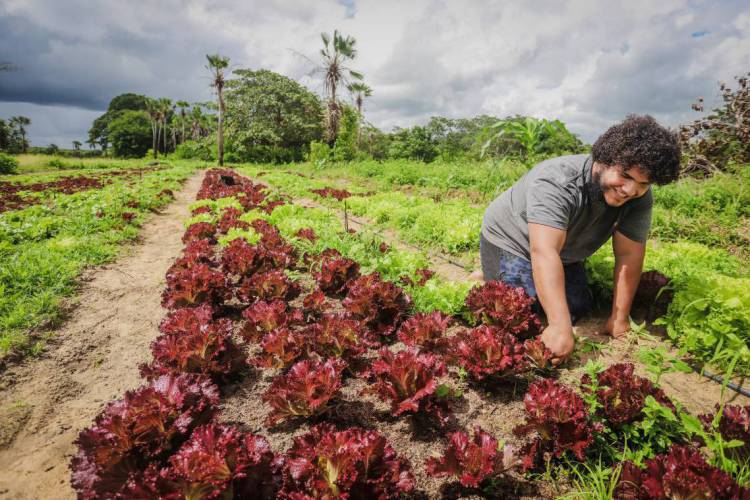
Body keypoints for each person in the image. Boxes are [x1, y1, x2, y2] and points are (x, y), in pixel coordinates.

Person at [480, 115, 681, 364]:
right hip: (511, 239)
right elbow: (544, 251)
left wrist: (619, 319)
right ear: (604, 159)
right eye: (626, 175)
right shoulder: (558, 181)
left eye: (644, 183)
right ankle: (487, 269)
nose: (630, 190)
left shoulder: (639, 198)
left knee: (576, 306)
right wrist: (559, 329)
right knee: (522, 315)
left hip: (564, 249)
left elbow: (629, 254)